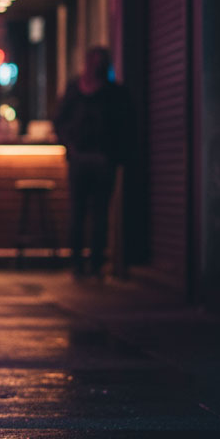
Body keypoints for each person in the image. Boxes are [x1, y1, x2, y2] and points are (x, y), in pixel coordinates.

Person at [54, 46, 134, 279]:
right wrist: (70, 146)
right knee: (79, 213)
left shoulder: (113, 93)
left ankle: (95, 263)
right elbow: (59, 121)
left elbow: (124, 127)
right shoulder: (76, 90)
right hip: (81, 159)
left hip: (102, 159)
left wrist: (114, 155)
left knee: (99, 214)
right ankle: (79, 263)